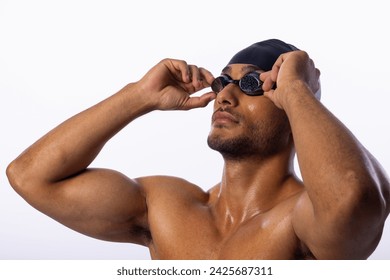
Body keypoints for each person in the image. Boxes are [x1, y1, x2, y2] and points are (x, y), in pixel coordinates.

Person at [6, 39, 390, 260]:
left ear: (292, 106)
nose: (225, 96)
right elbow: (30, 177)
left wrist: (296, 90)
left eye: (253, 84)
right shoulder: (165, 208)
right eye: (224, 82)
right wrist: (139, 95)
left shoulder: (302, 219)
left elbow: (354, 200)